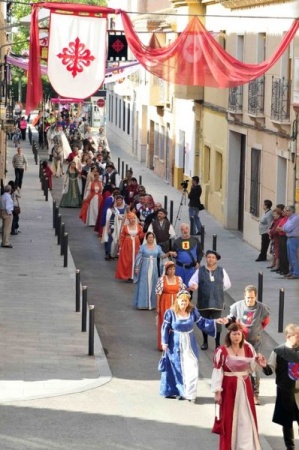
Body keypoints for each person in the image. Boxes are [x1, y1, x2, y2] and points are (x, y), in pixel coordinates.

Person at [160, 290, 226, 402]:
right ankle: (180, 391)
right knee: (177, 368)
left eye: (186, 300)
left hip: (189, 343)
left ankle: (190, 393)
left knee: (192, 366)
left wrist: (215, 321)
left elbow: (202, 322)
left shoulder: (192, 311)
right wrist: (164, 342)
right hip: (175, 343)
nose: (184, 303)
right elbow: (165, 328)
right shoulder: (170, 313)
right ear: (177, 300)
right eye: (182, 300)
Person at [211, 323, 261, 450]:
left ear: (242, 335)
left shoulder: (248, 348)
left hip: (245, 386)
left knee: (246, 416)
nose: (236, 336)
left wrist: (258, 361)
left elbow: (252, 368)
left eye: (239, 333)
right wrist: (217, 392)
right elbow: (218, 371)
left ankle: (246, 446)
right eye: (234, 334)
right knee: (229, 417)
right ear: (229, 335)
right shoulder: (221, 350)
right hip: (228, 387)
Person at [225, 284, 270, 405]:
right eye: (248, 297)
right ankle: (238, 392)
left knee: (254, 367)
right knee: (239, 366)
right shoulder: (237, 306)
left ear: (255, 297)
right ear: (244, 296)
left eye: (252, 298)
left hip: (255, 342)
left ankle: (255, 394)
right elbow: (231, 320)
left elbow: (265, 322)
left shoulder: (262, 308)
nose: (250, 300)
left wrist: (256, 330)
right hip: (240, 342)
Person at [257, 324, 299, 450]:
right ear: (288, 336)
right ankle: (290, 446)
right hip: (284, 391)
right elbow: (270, 370)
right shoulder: (278, 352)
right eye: (297, 336)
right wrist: (264, 365)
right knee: (286, 421)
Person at [189, 249, 231, 350]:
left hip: (217, 302)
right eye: (209, 257)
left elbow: (227, 284)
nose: (211, 259)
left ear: (216, 259)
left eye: (213, 258)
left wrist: (217, 290)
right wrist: (194, 285)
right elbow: (192, 281)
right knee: (205, 322)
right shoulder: (200, 270)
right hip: (204, 302)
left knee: (218, 323)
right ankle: (205, 342)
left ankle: (217, 344)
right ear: (206, 258)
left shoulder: (221, 270)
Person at [133, 231, 175, 310]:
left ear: (154, 238)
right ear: (146, 238)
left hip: (154, 269)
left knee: (154, 284)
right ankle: (143, 304)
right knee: (144, 284)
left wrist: (169, 253)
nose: (151, 239)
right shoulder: (142, 247)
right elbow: (138, 257)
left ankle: (152, 304)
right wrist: (137, 267)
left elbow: (162, 256)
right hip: (145, 268)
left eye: (152, 237)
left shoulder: (157, 247)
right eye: (149, 237)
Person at [155, 261, 186, 351]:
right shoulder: (162, 279)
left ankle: (175, 344)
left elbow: (182, 291)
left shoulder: (179, 279)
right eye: (170, 269)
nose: (172, 271)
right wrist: (158, 306)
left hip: (176, 304)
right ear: (166, 270)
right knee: (165, 323)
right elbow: (158, 293)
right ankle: (164, 344)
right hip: (165, 302)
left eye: (173, 269)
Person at [115, 212, 144, 279]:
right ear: (128, 219)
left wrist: (145, 232)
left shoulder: (139, 227)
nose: (133, 220)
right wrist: (120, 247)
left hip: (136, 244)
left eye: (134, 218)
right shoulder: (125, 227)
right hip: (127, 245)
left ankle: (135, 275)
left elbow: (141, 236)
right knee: (128, 259)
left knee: (136, 259)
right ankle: (128, 275)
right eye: (131, 219)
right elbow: (122, 237)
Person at [278, 205, 299, 279]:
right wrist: (283, 228)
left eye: (288, 210)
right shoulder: (290, 218)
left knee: (293, 256)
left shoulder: (295, 218)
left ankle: (296, 273)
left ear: (292, 211)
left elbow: (288, 228)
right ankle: (292, 271)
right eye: (286, 210)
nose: (286, 212)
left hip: (294, 238)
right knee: (289, 256)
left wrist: (282, 228)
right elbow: (285, 226)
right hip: (289, 238)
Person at [268, 205, 285, 271]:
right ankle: (274, 264)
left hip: (278, 238)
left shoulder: (279, 220)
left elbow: (276, 229)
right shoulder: (275, 220)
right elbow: (272, 227)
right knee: (274, 251)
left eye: (275, 215)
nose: (273, 216)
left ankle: (277, 265)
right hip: (274, 238)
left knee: (277, 251)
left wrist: (270, 232)